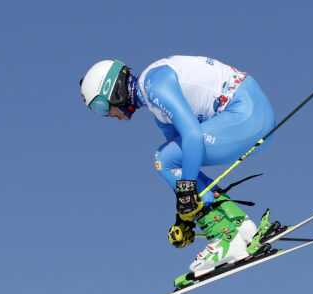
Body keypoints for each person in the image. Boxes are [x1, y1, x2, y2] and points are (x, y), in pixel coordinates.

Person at [80, 56, 276, 278]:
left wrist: (187, 195)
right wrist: (184, 217)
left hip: (247, 116)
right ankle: (240, 225)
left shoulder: (154, 84)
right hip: (252, 116)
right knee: (172, 161)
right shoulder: (155, 102)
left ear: (112, 90)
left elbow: (192, 137)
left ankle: (224, 238)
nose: (107, 116)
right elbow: (182, 166)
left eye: (100, 107)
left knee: (162, 159)